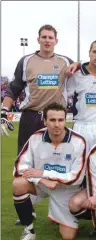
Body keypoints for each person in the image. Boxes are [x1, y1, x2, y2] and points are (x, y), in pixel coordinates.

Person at [12, 103, 86, 240]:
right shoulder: (35, 138)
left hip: (66, 189)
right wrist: (42, 180)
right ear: (45, 121)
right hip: (41, 185)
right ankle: (29, 231)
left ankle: (68, 215)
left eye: (60, 120)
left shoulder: (78, 141)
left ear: (66, 120)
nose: (57, 124)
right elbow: (19, 167)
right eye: (52, 120)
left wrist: (45, 173)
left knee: (68, 236)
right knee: (18, 184)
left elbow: (77, 177)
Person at [1, 24, 73, 154]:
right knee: (25, 159)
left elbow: (85, 74)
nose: (47, 40)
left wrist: (78, 64)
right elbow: (14, 88)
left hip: (56, 117)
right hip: (31, 117)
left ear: (56, 41)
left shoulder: (66, 61)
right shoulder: (25, 61)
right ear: (38, 39)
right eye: (44, 37)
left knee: (56, 158)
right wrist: (4, 111)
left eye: (50, 37)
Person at [66, 40, 96, 153]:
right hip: (81, 126)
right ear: (89, 52)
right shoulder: (76, 75)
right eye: (94, 51)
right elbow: (65, 96)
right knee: (80, 165)